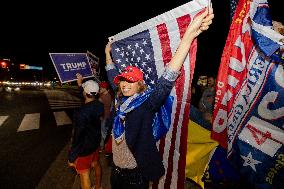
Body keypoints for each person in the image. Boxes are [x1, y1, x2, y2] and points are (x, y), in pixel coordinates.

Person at [104, 8, 214, 189]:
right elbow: (112, 74)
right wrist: (108, 53)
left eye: (130, 81)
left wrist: (188, 37)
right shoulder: (119, 101)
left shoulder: (146, 105)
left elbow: (167, 78)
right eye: (122, 81)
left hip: (135, 177)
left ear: (140, 85)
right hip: (115, 172)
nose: (124, 84)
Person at [68, 73, 103, 189]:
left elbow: (78, 136)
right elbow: (87, 96)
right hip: (95, 143)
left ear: (85, 92)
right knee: (96, 164)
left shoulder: (81, 112)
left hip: (84, 148)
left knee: (84, 174)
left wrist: (72, 156)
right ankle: (98, 186)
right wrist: (80, 85)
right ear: (97, 93)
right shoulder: (99, 105)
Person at [98, 81, 113, 150]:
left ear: (105, 88)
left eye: (101, 87)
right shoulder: (106, 94)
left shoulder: (105, 97)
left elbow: (97, 102)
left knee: (104, 132)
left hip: (105, 117)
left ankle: (106, 146)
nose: (100, 88)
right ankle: (104, 146)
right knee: (104, 132)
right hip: (105, 116)